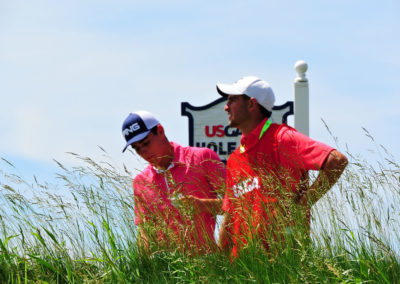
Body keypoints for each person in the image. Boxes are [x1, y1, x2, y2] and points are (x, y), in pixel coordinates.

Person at [216, 76, 348, 257]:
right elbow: (230, 215)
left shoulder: (282, 138)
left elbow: (337, 160)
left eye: (232, 99)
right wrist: (218, 264)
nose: (226, 106)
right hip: (240, 267)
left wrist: (303, 205)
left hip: (281, 264)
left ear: (252, 104)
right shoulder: (235, 158)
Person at [121, 110, 225, 255]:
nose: (143, 152)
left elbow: (238, 204)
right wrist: (144, 268)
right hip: (165, 271)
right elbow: (145, 232)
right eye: (137, 149)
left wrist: (203, 205)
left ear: (161, 130)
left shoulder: (202, 157)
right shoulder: (140, 182)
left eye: (146, 143)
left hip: (207, 264)